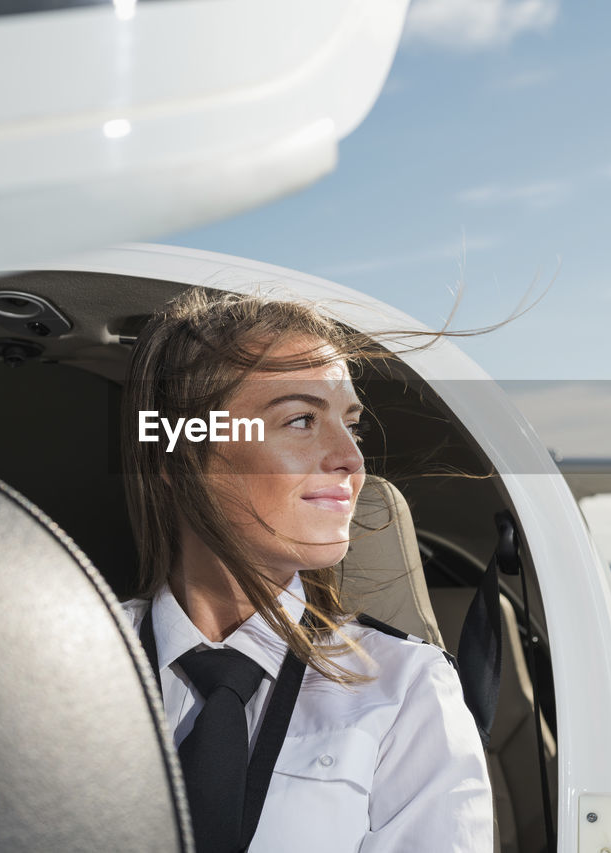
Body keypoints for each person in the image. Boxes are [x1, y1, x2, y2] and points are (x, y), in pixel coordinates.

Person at [119, 288, 494, 853]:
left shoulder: (406, 686)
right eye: (300, 420)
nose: (351, 458)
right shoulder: (67, 660)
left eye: (352, 424)